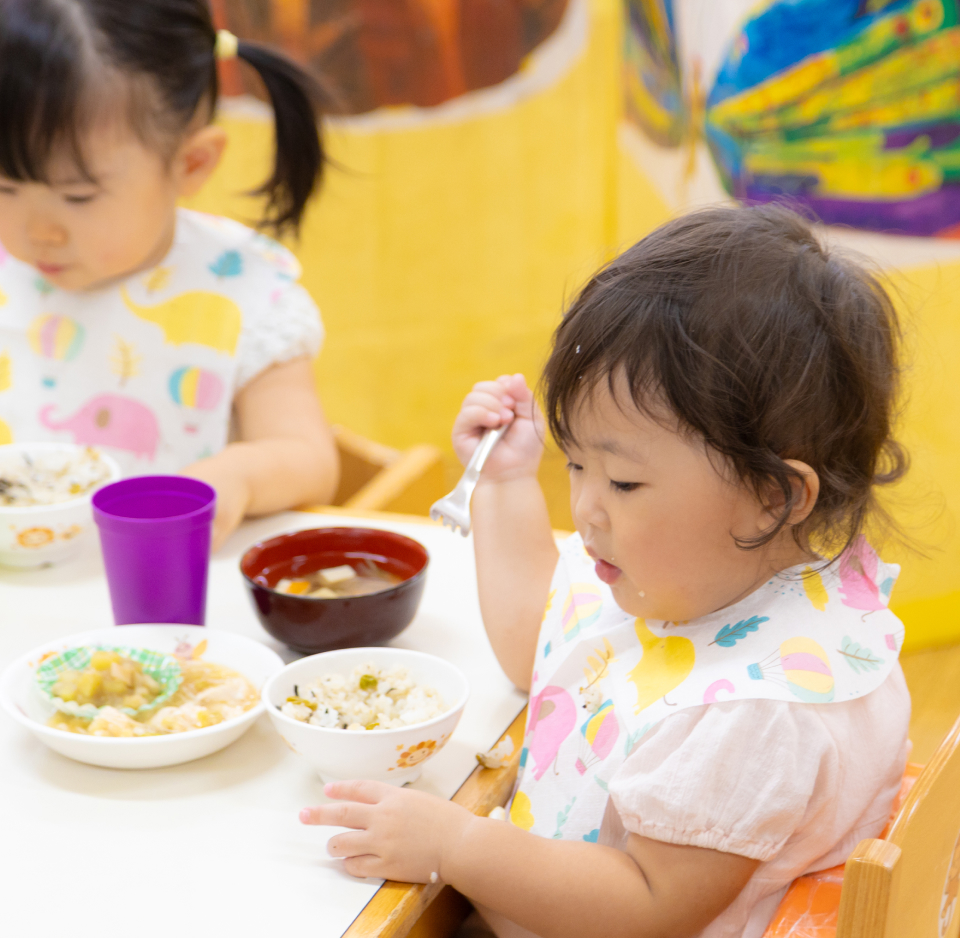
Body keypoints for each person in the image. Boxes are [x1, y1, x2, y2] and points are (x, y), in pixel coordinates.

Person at [300, 205, 912, 938]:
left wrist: (456, 845)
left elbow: (646, 905)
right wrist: (504, 484)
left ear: (771, 498)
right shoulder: (698, 576)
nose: (586, 507)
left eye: (621, 482)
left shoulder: (754, 711)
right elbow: (544, 648)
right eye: (576, 463)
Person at [0, 0, 339, 549]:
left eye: (77, 196)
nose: (37, 231)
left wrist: (238, 476)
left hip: (166, 601)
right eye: (5, 188)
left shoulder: (241, 292)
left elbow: (308, 458)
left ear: (191, 164)